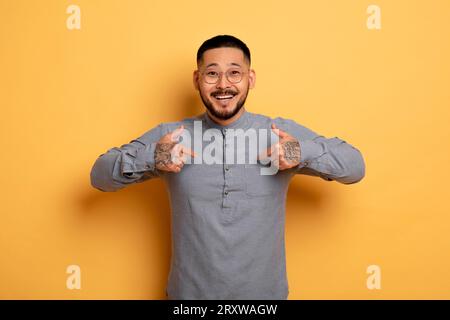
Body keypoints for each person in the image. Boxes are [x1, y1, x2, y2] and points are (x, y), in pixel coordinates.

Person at [90, 35, 365, 300]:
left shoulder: (279, 133)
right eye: (212, 74)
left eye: (235, 73)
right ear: (197, 80)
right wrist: (152, 156)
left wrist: (303, 152)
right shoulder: (171, 136)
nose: (224, 84)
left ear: (251, 79)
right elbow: (99, 176)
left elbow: (355, 167)